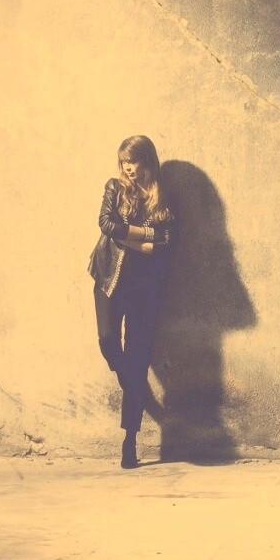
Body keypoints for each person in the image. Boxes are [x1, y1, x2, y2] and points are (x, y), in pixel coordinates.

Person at [88, 135, 177, 469]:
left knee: (138, 359)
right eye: (124, 162)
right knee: (108, 342)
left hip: (143, 289)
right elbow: (106, 223)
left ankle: (130, 441)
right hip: (109, 279)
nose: (128, 168)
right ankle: (133, 382)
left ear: (147, 161)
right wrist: (142, 240)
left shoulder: (162, 196)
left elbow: (168, 237)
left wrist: (129, 234)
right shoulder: (114, 187)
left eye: (134, 162)